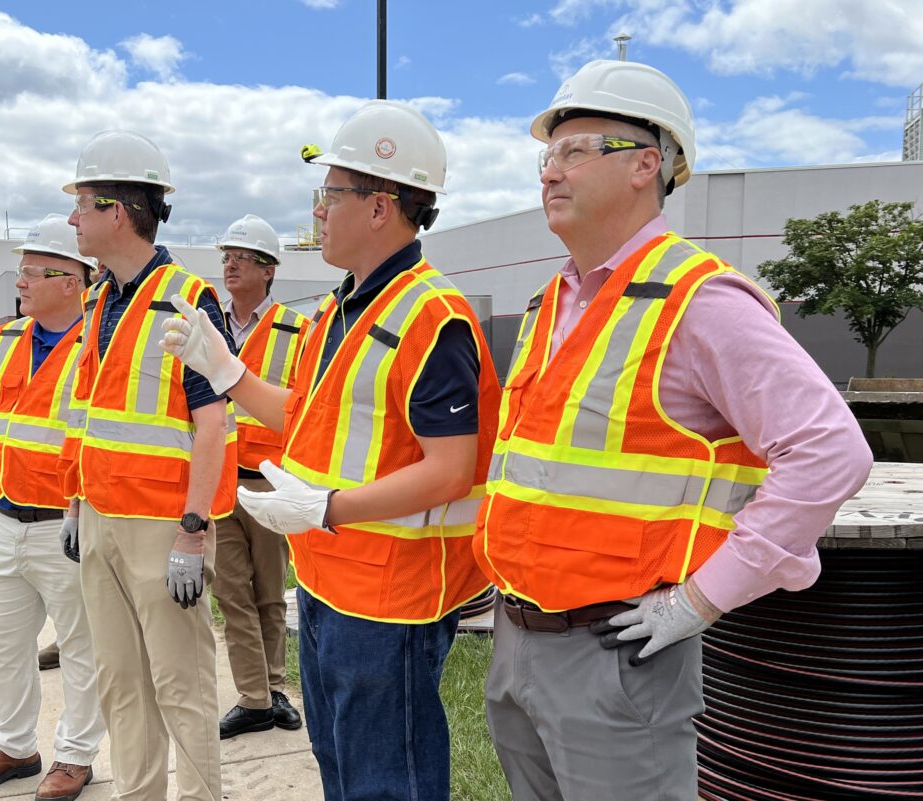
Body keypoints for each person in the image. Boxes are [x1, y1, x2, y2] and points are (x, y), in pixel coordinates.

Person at [475, 59, 874, 801]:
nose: (550, 172)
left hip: (615, 654)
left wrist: (703, 597)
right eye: (547, 155)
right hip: (517, 640)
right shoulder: (547, 306)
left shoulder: (700, 300)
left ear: (645, 165)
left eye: (575, 150)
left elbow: (830, 451)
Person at [161, 100, 501, 801]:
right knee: (343, 772)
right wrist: (227, 371)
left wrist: (327, 506)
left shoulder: (433, 316)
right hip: (325, 584)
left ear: (380, 207)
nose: (317, 210)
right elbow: (305, 414)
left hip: (390, 603)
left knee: (385, 784)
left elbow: (450, 469)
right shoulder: (340, 308)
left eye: (330, 193)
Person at [56, 130, 236, 801]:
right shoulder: (100, 299)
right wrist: (76, 503)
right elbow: (87, 414)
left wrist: (194, 530)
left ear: (119, 212)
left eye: (82, 204)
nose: (73, 219)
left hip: (165, 529)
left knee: (180, 685)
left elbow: (213, 422)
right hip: (100, 520)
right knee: (121, 683)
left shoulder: (187, 298)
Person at [0, 213, 105, 801]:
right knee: (0, 641)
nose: (21, 282)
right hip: (4, 521)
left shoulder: (99, 345)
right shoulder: (6, 340)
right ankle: (14, 746)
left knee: (82, 647)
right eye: (20, 270)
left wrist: (84, 511)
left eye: (33, 271)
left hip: (66, 527)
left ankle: (75, 755)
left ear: (72, 281)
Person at [210, 214, 309, 739]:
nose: (230, 264)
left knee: (270, 591)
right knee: (232, 593)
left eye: (243, 258)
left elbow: (307, 408)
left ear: (268, 271)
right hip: (220, 479)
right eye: (227, 256)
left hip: (270, 480)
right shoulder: (209, 326)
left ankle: (274, 689)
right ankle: (253, 698)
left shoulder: (298, 332)